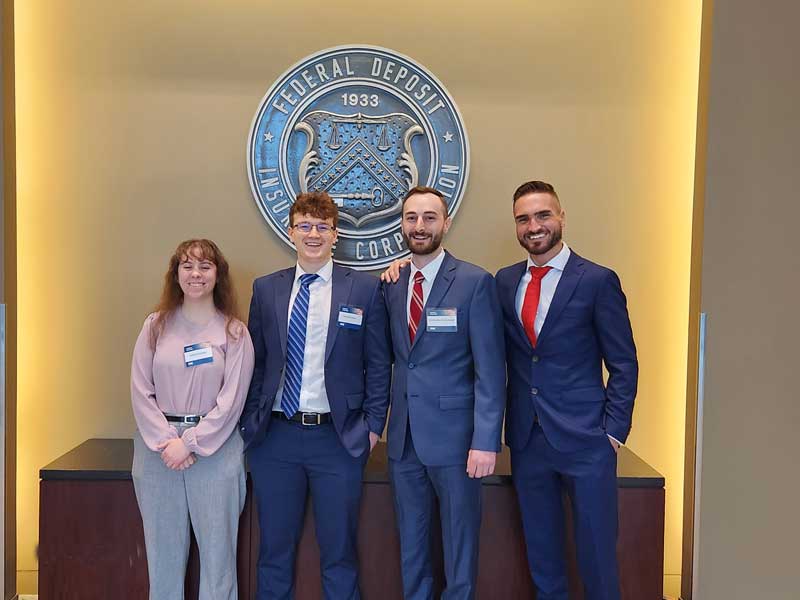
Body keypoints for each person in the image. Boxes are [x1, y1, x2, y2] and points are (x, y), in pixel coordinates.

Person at [240, 191, 392, 600]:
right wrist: (250, 420)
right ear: (291, 232)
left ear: (335, 235)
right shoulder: (266, 288)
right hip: (276, 438)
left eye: (322, 227)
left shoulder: (363, 289)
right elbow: (254, 361)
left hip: (337, 440)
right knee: (273, 551)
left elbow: (378, 364)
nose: (313, 234)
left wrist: (374, 426)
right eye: (304, 226)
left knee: (339, 553)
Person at [495, 181, 638, 600]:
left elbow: (624, 363)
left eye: (542, 215)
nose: (533, 226)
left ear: (561, 217)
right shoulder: (505, 282)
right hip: (527, 440)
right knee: (543, 558)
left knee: (596, 557)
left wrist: (613, 432)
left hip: (587, 441)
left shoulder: (597, 280)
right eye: (524, 218)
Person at [382, 186, 505, 600]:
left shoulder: (474, 283)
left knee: (459, 546)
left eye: (429, 217)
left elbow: (490, 370)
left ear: (446, 223)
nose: (420, 226)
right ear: (402, 224)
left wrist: (486, 441)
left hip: (458, 442)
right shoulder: (392, 284)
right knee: (410, 547)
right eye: (412, 217)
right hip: (403, 441)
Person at [130, 238, 255, 600]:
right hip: (158, 454)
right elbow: (140, 390)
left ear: (218, 275)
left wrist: (191, 442)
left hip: (215, 452)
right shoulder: (154, 326)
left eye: (205, 266)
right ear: (176, 274)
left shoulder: (234, 332)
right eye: (187, 265)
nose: (196, 274)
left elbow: (233, 400)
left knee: (218, 560)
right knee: (163, 557)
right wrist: (167, 441)